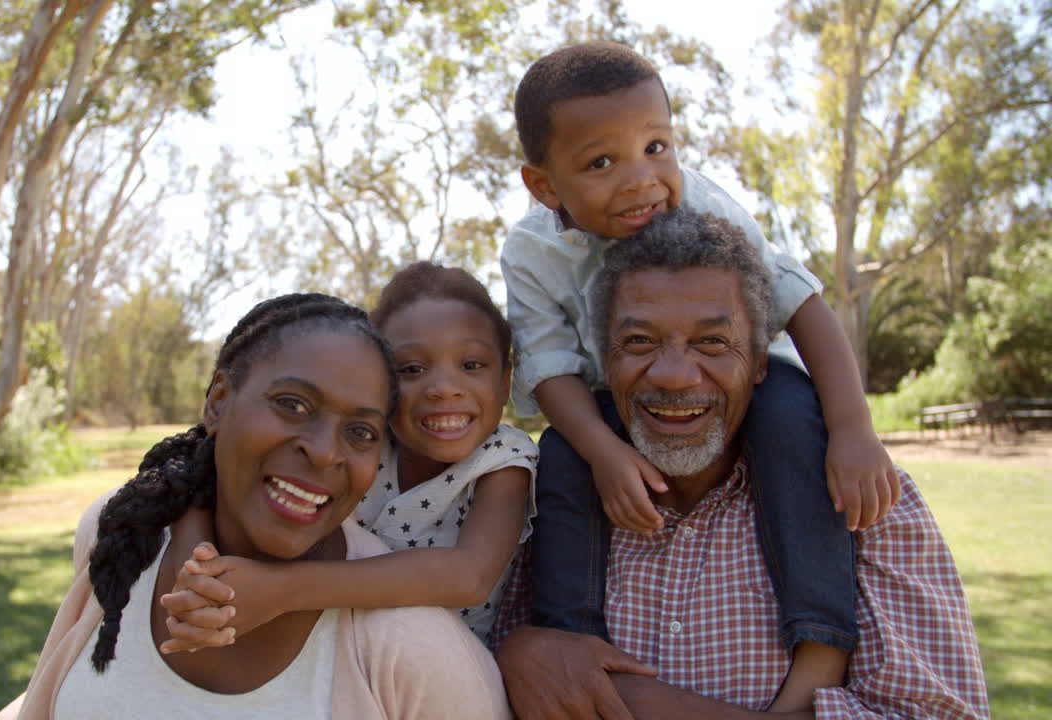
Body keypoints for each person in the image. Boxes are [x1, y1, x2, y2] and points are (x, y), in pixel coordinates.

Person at [502, 40, 899, 707]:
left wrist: (854, 429)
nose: (640, 179)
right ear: (544, 185)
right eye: (601, 161)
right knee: (565, 455)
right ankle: (572, 644)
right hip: (616, 402)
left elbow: (802, 305)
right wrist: (604, 454)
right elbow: (547, 370)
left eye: (657, 147)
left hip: (754, 385)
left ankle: (821, 642)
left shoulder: (707, 210)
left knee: (792, 431)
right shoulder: (530, 251)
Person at [492, 208, 990, 719]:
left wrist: (648, 707)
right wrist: (515, 655)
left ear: (759, 363)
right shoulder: (538, 510)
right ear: (603, 360)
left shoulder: (868, 505)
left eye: (712, 342)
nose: (675, 376)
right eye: (639, 341)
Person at [0, 293, 512, 720]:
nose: (326, 450)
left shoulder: (415, 652)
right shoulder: (123, 534)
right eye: (293, 404)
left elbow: (470, 573)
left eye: (360, 432)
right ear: (219, 400)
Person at [161, 262, 537, 646]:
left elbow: (468, 577)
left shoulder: (503, 460)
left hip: (442, 674)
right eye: (411, 368)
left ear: (505, 383)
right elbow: (199, 479)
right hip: (333, 647)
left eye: (471, 365)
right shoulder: (362, 446)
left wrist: (280, 590)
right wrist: (199, 573)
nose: (443, 388)